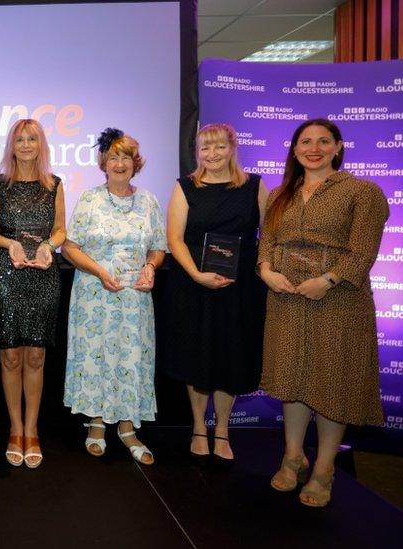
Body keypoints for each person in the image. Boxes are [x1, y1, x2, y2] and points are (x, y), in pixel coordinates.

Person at [258, 119, 388, 508]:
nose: (313, 148)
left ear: (337, 146)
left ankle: (324, 468)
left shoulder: (362, 192)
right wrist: (266, 271)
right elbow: (267, 242)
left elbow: (364, 251)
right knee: (292, 377)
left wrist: (328, 280)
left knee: (332, 381)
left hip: (338, 300)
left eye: (323, 141)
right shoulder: (280, 193)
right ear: (295, 148)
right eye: (305, 141)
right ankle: (293, 456)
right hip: (286, 297)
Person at [163, 123, 268, 462]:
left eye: (219, 147)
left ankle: (222, 429)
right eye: (205, 148)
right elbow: (174, 239)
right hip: (194, 285)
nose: (212, 154)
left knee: (231, 356)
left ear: (232, 147)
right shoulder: (185, 187)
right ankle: (198, 427)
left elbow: (268, 237)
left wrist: (259, 271)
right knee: (198, 355)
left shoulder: (254, 186)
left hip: (240, 290)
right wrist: (196, 274)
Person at [61, 128, 166, 465]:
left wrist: (151, 266)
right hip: (95, 295)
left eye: (126, 157)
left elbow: (158, 248)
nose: (120, 163)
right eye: (113, 157)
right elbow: (70, 247)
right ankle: (95, 423)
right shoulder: (90, 199)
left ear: (136, 163)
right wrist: (99, 272)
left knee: (130, 357)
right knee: (95, 356)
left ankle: (126, 426)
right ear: (103, 163)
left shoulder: (149, 201)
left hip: (134, 300)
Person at [0, 119, 65, 469]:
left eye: (32, 139)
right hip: (7, 275)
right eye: (20, 139)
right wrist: (10, 243)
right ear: (11, 145)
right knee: (11, 357)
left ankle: (33, 430)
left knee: (36, 358)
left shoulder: (55, 184)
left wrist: (48, 245)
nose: (26, 144)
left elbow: (61, 229)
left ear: (40, 144)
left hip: (44, 277)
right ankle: (15, 429)